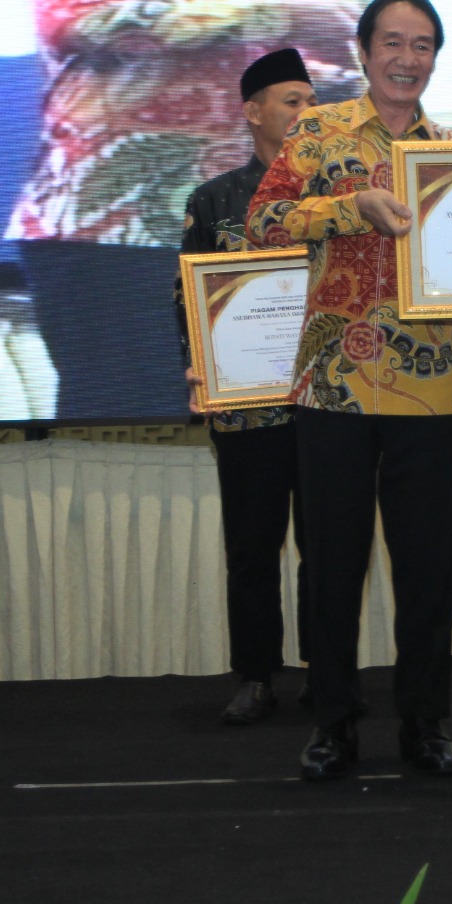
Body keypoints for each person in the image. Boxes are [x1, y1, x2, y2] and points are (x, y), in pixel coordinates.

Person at [7, 0, 355, 419]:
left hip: (221, 217)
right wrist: (279, 14)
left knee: (228, 418)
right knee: (130, 419)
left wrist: (342, 77)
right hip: (117, 226)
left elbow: (225, 63)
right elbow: (76, 19)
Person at [246, 0, 452, 781]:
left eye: (424, 45)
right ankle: (333, 723)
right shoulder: (320, 130)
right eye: (394, 43)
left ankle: (425, 723)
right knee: (331, 565)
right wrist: (350, 207)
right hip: (333, 383)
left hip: (428, 385)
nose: (409, 59)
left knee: (428, 570)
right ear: (365, 50)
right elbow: (262, 223)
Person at [177, 47, 316, 726]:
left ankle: (330, 673)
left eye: (312, 101)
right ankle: (256, 676)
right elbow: (189, 300)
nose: (304, 112)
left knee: (329, 547)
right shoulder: (213, 200)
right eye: (291, 100)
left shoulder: (337, 195)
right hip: (247, 405)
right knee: (253, 550)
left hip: (328, 403)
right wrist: (197, 368)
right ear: (252, 111)